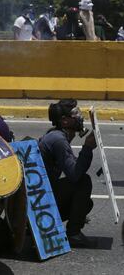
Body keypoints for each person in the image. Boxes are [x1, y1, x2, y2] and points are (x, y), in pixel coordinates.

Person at [38, 99, 97, 248]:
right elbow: (75, 175)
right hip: (40, 200)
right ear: (64, 121)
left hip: (42, 195)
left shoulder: (57, 135)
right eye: (75, 114)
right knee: (83, 182)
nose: (79, 117)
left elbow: (70, 165)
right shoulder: (58, 140)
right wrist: (87, 148)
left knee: (85, 204)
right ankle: (73, 234)